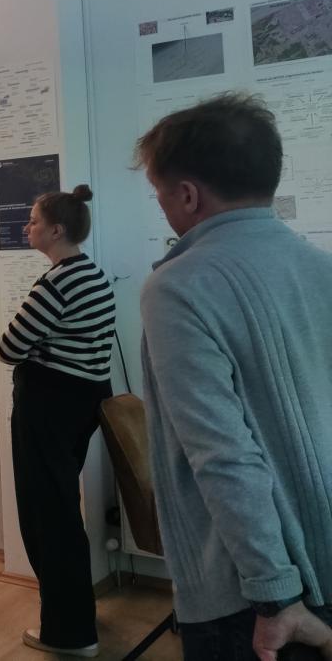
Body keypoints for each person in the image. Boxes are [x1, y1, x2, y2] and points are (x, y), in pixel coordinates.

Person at [136, 94, 332, 661]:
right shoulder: (321, 267)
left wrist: (276, 596)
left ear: (188, 195)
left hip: (252, 591)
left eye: (159, 194)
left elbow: (222, 454)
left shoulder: (179, 285)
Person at [0, 185, 115, 659]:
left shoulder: (57, 283)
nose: (27, 227)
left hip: (50, 407)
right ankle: (76, 616)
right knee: (61, 510)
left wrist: (35, 346)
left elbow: (8, 347)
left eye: (33, 220)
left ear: (57, 230)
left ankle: (70, 633)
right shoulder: (93, 273)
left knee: (48, 518)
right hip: (80, 403)